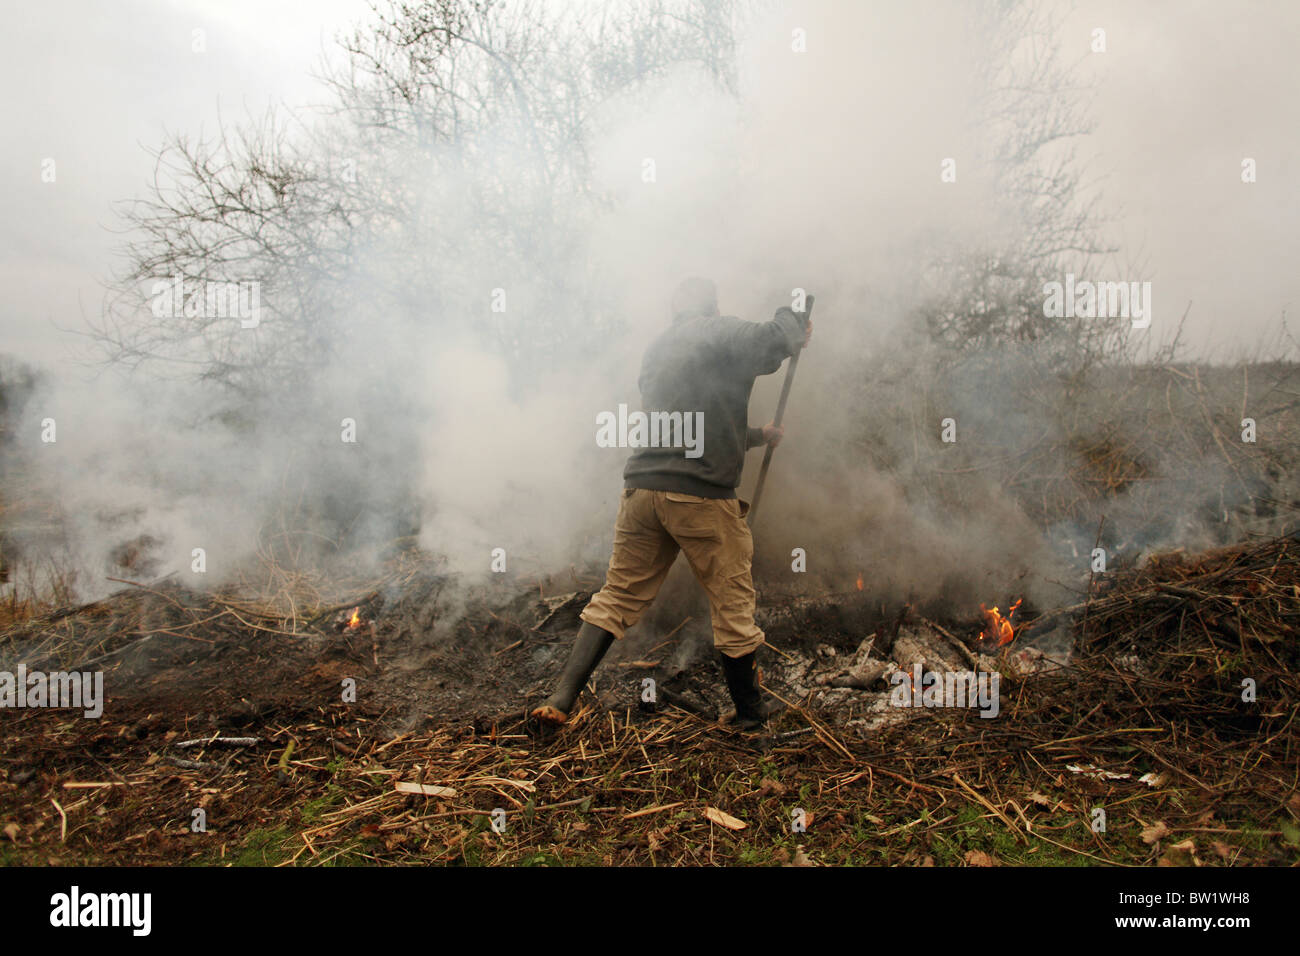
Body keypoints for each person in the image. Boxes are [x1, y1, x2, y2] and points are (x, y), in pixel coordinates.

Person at [531, 277, 812, 731]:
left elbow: (696, 429)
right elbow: (772, 338)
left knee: (618, 594)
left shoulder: (658, 351)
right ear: (711, 307)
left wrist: (760, 436)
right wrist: (794, 318)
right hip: (699, 498)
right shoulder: (717, 331)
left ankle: (560, 698)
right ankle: (749, 717)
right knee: (733, 604)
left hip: (643, 491)